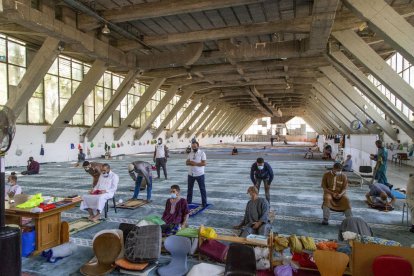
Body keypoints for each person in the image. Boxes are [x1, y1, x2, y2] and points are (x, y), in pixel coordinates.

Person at [186, 141, 207, 207]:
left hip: (199, 174)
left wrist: (195, 163)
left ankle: (204, 203)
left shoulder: (202, 153)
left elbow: (204, 163)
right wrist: (190, 162)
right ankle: (188, 202)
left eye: (195, 146)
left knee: (202, 189)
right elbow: (186, 162)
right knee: (189, 189)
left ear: (198, 146)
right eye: (192, 147)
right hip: (191, 174)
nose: (193, 148)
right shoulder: (190, 153)